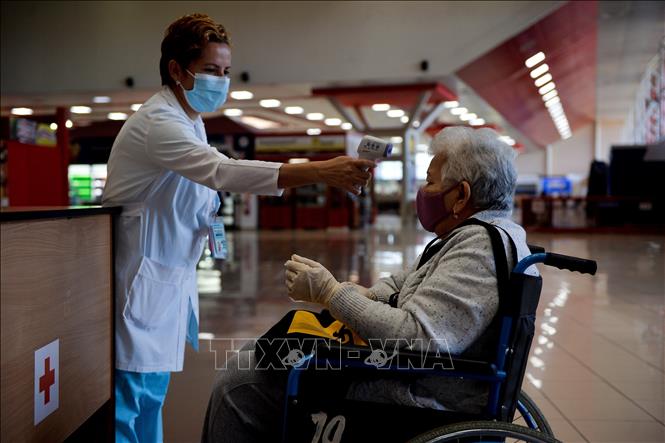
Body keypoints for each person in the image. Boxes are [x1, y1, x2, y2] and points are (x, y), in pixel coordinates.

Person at [101, 13, 374, 443]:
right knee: (127, 404)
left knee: (151, 397)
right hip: (139, 283)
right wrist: (320, 171)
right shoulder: (159, 124)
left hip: (165, 284)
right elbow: (221, 172)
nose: (221, 80)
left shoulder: (190, 121)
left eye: (225, 71)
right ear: (177, 69)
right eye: (211, 70)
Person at [201, 126, 538, 442]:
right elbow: (404, 281)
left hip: (415, 396)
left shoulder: (477, 248)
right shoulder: (481, 235)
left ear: (461, 195)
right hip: (416, 375)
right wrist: (359, 295)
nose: (424, 191)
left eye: (430, 182)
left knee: (240, 383)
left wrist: (331, 293)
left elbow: (417, 338)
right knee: (256, 357)